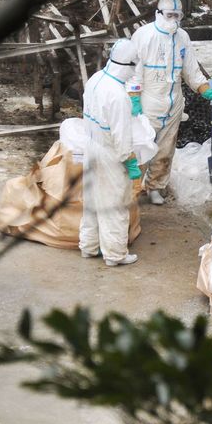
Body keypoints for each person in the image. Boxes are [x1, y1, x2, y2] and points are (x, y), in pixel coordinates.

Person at [131, 0, 212, 206]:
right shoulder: (144, 36)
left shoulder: (182, 37)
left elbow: (191, 69)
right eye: (169, 15)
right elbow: (134, 70)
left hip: (173, 100)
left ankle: (156, 187)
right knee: (141, 148)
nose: (174, 20)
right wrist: (134, 97)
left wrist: (204, 89)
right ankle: (133, 189)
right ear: (158, 13)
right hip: (149, 100)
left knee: (166, 149)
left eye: (178, 16)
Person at [79, 39, 142, 267]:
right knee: (114, 203)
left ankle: (89, 246)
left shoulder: (96, 79)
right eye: (134, 66)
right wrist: (131, 162)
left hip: (90, 145)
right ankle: (115, 254)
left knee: (92, 200)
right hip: (108, 153)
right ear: (128, 65)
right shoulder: (117, 95)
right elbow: (122, 138)